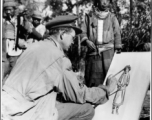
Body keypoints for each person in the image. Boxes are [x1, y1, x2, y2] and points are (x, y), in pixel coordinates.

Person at [2, 15, 116, 120]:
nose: (73, 42)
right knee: (87, 110)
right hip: (23, 113)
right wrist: (106, 90)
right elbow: (79, 94)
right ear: (62, 34)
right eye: (72, 37)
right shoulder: (59, 58)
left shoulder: (33, 47)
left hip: (6, 106)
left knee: (57, 101)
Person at [80, 0, 122, 87]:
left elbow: (117, 33)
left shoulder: (112, 17)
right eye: (103, 0)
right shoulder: (89, 16)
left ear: (110, 3)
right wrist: (86, 41)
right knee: (92, 77)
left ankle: (107, 95)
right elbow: (82, 31)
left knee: (108, 75)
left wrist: (118, 49)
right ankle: (93, 96)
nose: (105, 3)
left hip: (108, 53)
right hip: (93, 51)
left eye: (107, 0)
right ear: (97, 1)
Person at [2, 0, 23, 80]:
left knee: (13, 66)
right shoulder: (4, 21)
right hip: (5, 46)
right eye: (6, 10)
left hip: (14, 47)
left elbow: (25, 30)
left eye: (10, 10)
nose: (8, 12)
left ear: (14, 10)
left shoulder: (18, 20)